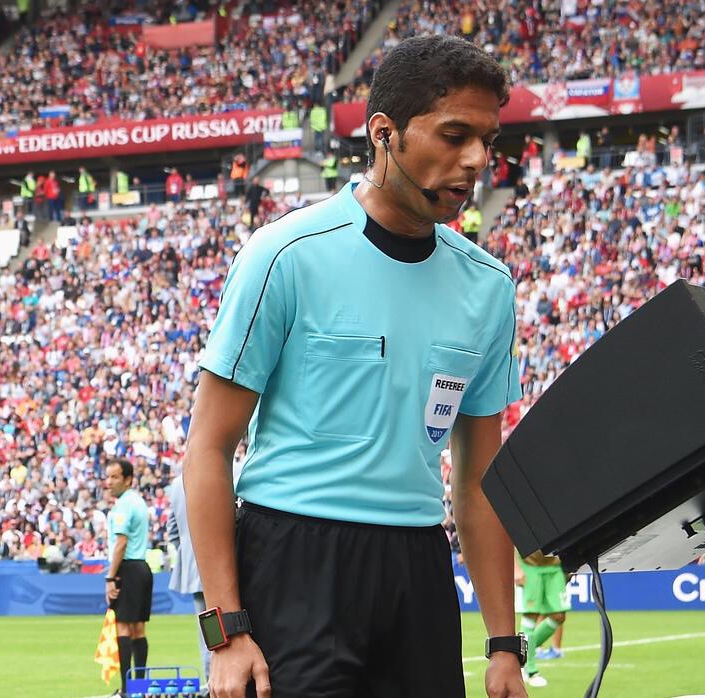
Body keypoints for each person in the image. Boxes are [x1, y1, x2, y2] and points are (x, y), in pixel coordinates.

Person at [184, 35, 526, 698]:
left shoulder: (489, 287)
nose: (477, 160)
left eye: (487, 140)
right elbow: (208, 446)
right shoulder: (285, 255)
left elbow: (479, 482)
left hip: (419, 567)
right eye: (455, 135)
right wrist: (225, 632)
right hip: (294, 562)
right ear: (383, 134)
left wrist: (504, 645)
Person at [104, 458, 153, 696]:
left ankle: (126, 690)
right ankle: (139, 687)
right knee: (138, 629)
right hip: (142, 567)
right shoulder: (138, 502)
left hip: (128, 568)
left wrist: (110, 578)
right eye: (108, 477)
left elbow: (121, 542)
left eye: (114, 477)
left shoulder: (124, 505)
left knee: (122, 626)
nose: (109, 482)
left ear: (128, 479)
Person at [168, 473, 210, 689]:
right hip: (228, 571)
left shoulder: (177, 483)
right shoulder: (234, 471)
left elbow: (173, 533)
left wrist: (190, 554)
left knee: (208, 636)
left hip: (195, 571)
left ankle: (210, 683)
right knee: (229, 632)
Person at [515, 551, 570, 687]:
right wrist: (516, 568)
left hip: (555, 565)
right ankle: (530, 670)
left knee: (559, 615)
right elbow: (509, 539)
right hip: (529, 564)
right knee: (531, 615)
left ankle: (520, 653)